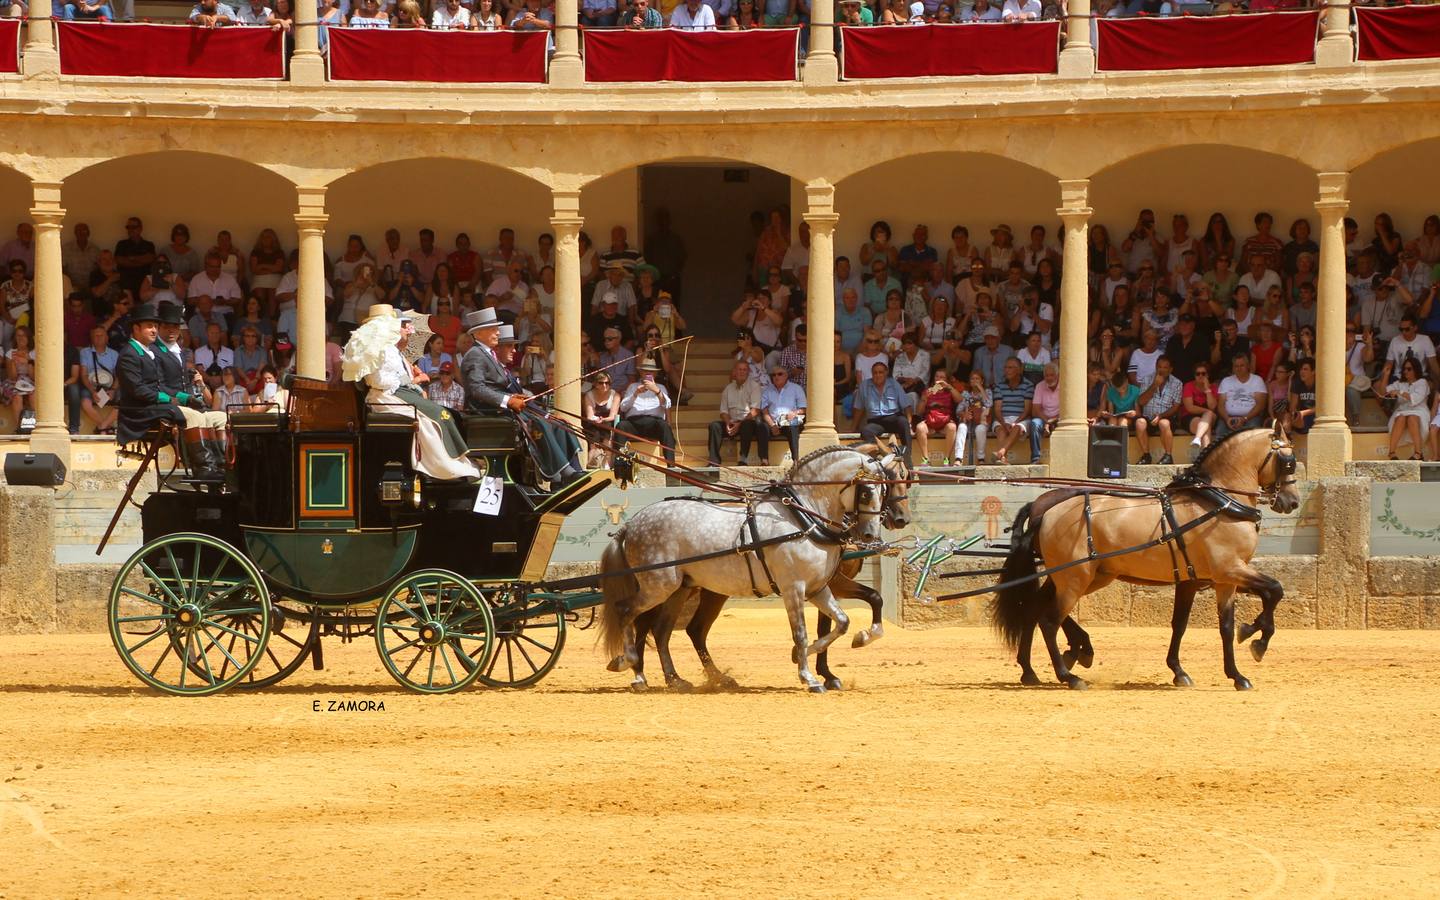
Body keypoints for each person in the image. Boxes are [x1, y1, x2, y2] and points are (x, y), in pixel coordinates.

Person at [344, 304, 478, 482]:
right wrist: (412, 382)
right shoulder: (377, 350)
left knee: (444, 412)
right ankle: (442, 466)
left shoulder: (393, 350)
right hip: (385, 396)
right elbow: (379, 382)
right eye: (401, 325)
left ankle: (456, 459)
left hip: (397, 392)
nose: (406, 329)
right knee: (437, 414)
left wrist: (410, 377)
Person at [460, 309, 585, 484]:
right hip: (487, 411)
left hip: (499, 407)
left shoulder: (487, 354)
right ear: (479, 333)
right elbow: (477, 389)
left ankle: (570, 471)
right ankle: (562, 472)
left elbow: (493, 386)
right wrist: (508, 400)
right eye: (493, 329)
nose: (497, 332)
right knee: (539, 423)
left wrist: (514, 396)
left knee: (556, 423)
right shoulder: (475, 355)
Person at [115, 304, 225, 482]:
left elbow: (157, 385)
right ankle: (203, 468)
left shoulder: (147, 352)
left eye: (155, 326)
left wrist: (183, 398)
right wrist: (172, 399)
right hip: (139, 411)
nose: (154, 330)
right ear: (136, 328)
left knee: (216, 418)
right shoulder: (129, 354)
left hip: (155, 405)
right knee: (194, 417)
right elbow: (138, 390)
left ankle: (219, 464)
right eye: (150, 326)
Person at [618, 360, 676, 465]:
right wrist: (635, 394)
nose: (648, 374)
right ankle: (621, 462)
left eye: (651, 372)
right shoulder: (633, 387)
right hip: (634, 423)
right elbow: (623, 408)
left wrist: (657, 391)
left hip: (653, 423)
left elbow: (667, 405)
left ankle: (671, 465)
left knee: (664, 426)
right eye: (645, 371)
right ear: (641, 373)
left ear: (655, 374)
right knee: (621, 425)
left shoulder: (661, 387)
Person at [709, 361, 763, 466]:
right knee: (714, 426)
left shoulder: (754, 386)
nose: (742, 372)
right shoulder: (728, 389)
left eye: (744, 369)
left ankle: (743, 459)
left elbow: (755, 410)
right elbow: (723, 411)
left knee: (746, 425)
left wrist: (740, 424)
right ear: (734, 372)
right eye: (739, 369)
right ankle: (714, 461)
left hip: (747, 422)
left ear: (748, 372)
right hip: (732, 421)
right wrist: (728, 423)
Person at [852, 360, 913, 454]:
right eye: (875, 373)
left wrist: (910, 424)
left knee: (903, 422)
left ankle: (907, 456)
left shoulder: (894, 384)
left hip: (894, 419)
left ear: (886, 373)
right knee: (866, 431)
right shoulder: (864, 386)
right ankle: (878, 456)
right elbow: (859, 408)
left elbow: (906, 405)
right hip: (876, 422)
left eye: (880, 372)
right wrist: (853, 427)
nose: (878, 375)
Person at [991, 357, 1042, 465]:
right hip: (1003, 418)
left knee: (1017, 427)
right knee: (1000, 429)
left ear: (1019, 370)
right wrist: (1004, 424)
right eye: (1006, 367)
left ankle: (1000, 453)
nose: (1007, 370)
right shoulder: (999, 386)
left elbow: (1027, 410)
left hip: (1021, 418)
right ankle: (1002, 458)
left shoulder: (1028, 386)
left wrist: (1015, 422)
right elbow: (997, 409)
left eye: (1010, 367)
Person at [1134, 354, 1183, 465]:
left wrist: (1161, 416)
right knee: (1139, 423)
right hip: (1148, 417)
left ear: (1170, 369)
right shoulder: (1147, 379)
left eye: (1165, 367)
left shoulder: (1177, 383)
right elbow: (1141, 401)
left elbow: (1176, 406)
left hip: (1166, 417)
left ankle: (1168, 456)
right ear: (1156, 367)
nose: (1161, 370)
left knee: (1164, 423)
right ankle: (1146, 455)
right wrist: (1155, 385)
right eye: (1159, 366)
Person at [1385, 358, 1429, 461]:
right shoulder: (1400, 383)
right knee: (1400, 418)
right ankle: (1392, 453)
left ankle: (1418, 453)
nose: (1405, 371)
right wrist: (1386, 375)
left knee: (1412, 418)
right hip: (1402, 410)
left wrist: (1399, 392)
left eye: (1409, 369)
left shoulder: (1422, 382)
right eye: (1404, 369)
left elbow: (1416, 399)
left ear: (1416, 369)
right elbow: (1383, 392)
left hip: (1419, 410)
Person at [913, 370, 960, 466]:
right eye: (937, 377)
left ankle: (946, 458)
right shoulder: (929, 391)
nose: (939, 379)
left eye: (942, 377)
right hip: (930, 421)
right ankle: (926, 459)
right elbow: (919, 412)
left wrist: (948, 386)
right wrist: (924, 398)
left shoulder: (949, 391)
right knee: (919, 427)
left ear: (946, 380)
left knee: (952, 427)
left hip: (945, 422)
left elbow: (960, 399)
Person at [79, 324, 120, 434]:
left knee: (124, 402)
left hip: (109, 386)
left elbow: (118, 375)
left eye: (101, 335)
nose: (98, 338)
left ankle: (102, 427)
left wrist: (113, 390)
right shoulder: (85, 352)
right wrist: (92, 391)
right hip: (91, 385)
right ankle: (106, 426)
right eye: (95, 336)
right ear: (91, 338)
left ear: (107, 338)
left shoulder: (114, 354)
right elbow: (83, 375)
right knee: (85, 403)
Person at [761, 365, 806, 463]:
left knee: (793, 425)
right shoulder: (767, 391)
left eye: (780, 374)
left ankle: (796, 460)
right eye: (773, 375)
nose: (776, 377)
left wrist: (795, 413)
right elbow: (764, 412)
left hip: (789, 420)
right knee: (762, 427)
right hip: (773, 422)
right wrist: (772, 425)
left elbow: (803, 408)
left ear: (786, 376)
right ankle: (764, 460)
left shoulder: (796, 388)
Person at [1216, 352, 1267, 436]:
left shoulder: (1257, 380)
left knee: (1252, 434)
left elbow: (1260, 405)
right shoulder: (1226, 381)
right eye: (1236, 366)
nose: (1239, 368)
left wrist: (1244, 419)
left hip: (1250, 417)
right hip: (1229, 416)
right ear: (1233, 368)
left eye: (1242, 365)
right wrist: (1227, 419)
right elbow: (1221, 405)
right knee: (1220, 432)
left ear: (1248, 366)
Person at [582, 372, 621, 468]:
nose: (604, 385)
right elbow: (590, 415)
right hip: (593, 422)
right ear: (595, 384)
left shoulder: (615, 395)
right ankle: (591, 463)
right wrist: (597, 420)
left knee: (607, 431)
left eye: (607, 383)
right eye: (601, 383)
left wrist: (603, 420)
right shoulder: (589, 395)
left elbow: (613, 416)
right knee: (594, 438)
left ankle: (606, 464)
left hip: (608, 421)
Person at [1181, 363, 1219, 451]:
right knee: (1205, 427)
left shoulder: (1213, 388)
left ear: (1208, 375)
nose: (1200, 376)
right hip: (1190, 416)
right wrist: (1207, 411)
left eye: (1203, 373)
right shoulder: (1188, 386)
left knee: (1208, 417)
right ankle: (1206, 454)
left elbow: (1212, 407)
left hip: (1211, 416)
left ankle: (1197, 438)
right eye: (1197, 374)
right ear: (1194, 376)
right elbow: (1190, 408)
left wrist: (1207, 390)